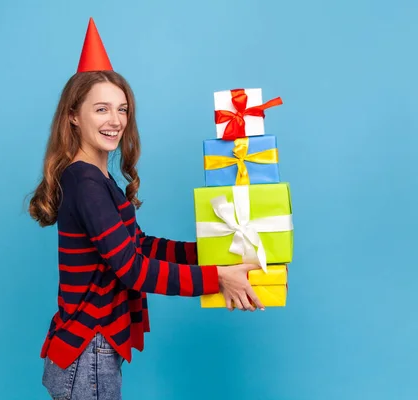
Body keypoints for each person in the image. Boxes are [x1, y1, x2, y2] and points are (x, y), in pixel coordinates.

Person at [28, 17, 264, 400]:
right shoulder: (86, 182)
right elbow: (133, 270)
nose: (116, 120)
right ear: (73, 115)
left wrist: (214, 250)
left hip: (91, 352)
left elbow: (139, 246)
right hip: (86, 352)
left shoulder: (100, 182)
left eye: (122, 110)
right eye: (101, 109)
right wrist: (216, 278)